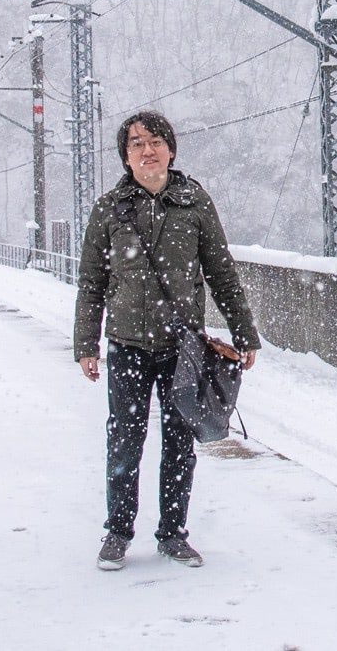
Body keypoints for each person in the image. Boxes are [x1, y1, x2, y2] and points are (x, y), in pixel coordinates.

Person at [74, 110, 260, 571]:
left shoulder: (194, 201)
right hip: (127, 342)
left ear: (171, 150)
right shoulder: (109, 208)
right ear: (125, 157)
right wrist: (86, 343)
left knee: (179, 442)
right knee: (125, 439)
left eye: (155, 141)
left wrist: (245, 333)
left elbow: (221, 271)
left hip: (182, 346)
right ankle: (117, 532)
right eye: (136, 143)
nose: (147, 149)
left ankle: (173, 533)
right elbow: (92, 280)